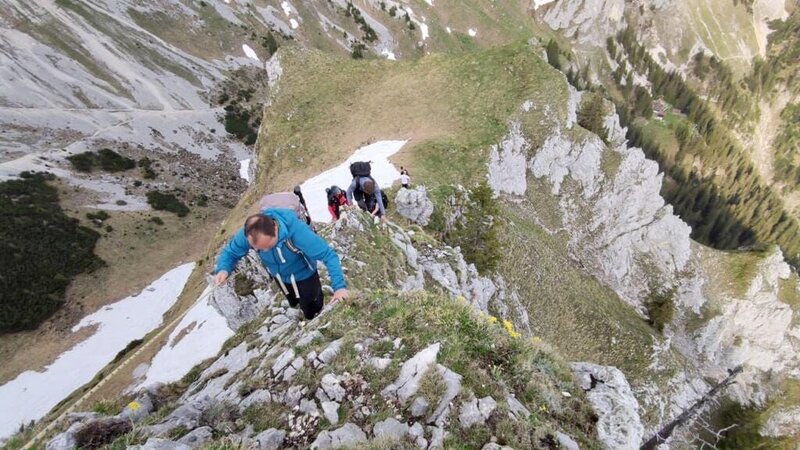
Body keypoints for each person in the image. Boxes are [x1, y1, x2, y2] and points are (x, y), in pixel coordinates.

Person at [213, 208, 348, 320]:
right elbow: (231, 252)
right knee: (293, 301)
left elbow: (328, 255)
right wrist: (223, 269)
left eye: (268, 246)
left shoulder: (297, 232)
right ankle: (299, 310)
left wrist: (339, 287)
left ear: (276, 229)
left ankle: (315, 317)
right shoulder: (250, 233)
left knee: (311, 308)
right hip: (280, 277)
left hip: (305, 276)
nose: (265, 251)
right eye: (259, 249)